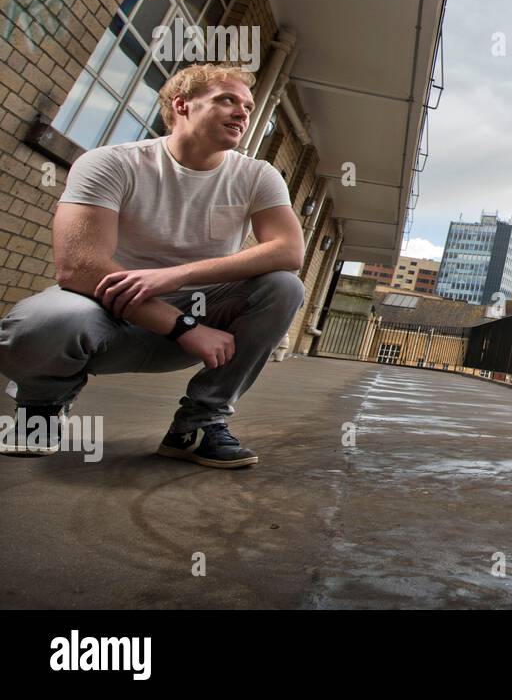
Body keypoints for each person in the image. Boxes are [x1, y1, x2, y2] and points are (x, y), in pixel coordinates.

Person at [0, 64, 305, 467]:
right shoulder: (110, 162)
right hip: (106, 314)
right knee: (44, 320)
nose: (243, 113)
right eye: (226, 100)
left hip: (199, 323)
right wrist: (183, 326)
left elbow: (289, 251)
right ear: (181, 105)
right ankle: (41, 409)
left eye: (247, 106)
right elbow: (79, 268)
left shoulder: (257, 176)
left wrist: (179, 276)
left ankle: (197, 425)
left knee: (284, 287)